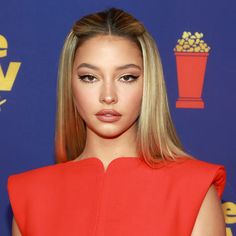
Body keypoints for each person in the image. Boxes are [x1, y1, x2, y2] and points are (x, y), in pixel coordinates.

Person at [8, 7, 226, 236]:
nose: (108, 96)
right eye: (90, 78)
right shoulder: (31, 195)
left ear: (148, 84)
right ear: (70, 83)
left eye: (127, 77)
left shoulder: (194, 189)